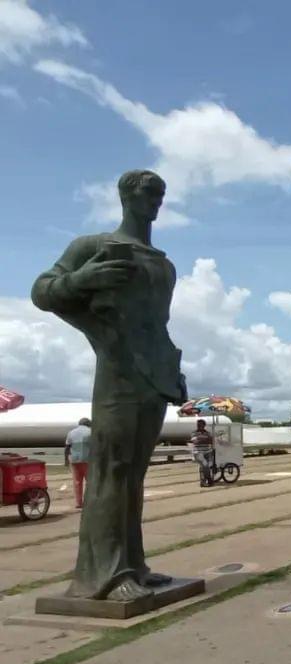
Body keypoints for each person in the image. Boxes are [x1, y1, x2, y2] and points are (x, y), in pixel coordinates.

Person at [31, 169, 187, 601]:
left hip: (154, 376)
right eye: (149, 193)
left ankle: (132, 564)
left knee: (134, 474)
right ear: (126, 197)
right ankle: (105, 575)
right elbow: (43, 291)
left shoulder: (164, 264)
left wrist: (173, 371)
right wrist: (86, 279)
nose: (156, 201)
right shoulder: (94, 247)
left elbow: (159, 326)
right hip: (117, 371)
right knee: (110, 470)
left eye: (161, 194)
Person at [64, 417, 92, 509]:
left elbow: (67, 447)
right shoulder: (91, 432)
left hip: (75, 460)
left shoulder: (71, 433)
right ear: (88, 424)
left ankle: (78, 503)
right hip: (88, 460)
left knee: (77, 482)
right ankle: (89, 501)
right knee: (90, 482)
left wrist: (66, 460)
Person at [190, 419, 215, 487]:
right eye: (198, 425)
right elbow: (195, 442)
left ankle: (203, 481)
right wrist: (206, 439)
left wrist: (200, 438)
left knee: (206, 466)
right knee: (205, 464)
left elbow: (211, 441)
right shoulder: (194, 433)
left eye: (200, 424)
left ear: (204, 425)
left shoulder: (208, 432)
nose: (198, 426)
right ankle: (209, 479)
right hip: (198, 452)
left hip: (207, 451)